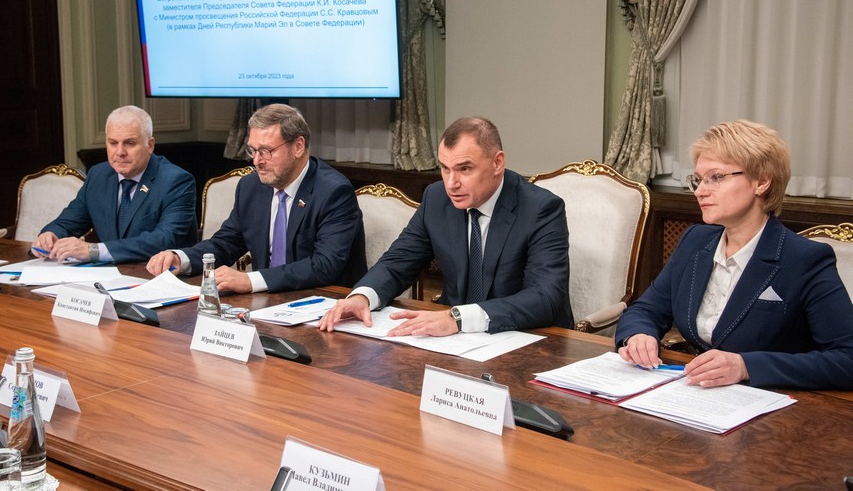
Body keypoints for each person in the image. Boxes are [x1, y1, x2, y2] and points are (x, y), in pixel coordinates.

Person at [616, 120, 853, 390]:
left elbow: (847, 358)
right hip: (693, 391)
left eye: (716, 177)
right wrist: (638, 335)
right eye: (698, 180)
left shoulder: (805, 259)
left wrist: (746, 366)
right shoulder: (695, 241)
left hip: (768, 402)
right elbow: (646, 309)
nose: (700, 191)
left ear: (761, 182)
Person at [319, 116, 572, 337]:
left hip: (525, 338)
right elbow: (398, 262)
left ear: (497, 163)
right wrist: (362, 296)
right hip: (454, 342)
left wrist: (459, 318)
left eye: (464, 169)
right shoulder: (437, 198)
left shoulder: (541, 209)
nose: (452, 183)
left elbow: (545, 298)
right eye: (445, 168)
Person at [146, 104, 367, 294]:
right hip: (267, 302)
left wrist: (250, 280)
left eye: (266, 151)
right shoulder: (251, 187)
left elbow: (324, 266)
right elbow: (226, 243)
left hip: (324, 303)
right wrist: (181, 258)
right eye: (253, 151)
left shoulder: (333, 191)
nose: (256, 161)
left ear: (298, 146)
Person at [32, 106, 197, 263]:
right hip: (108, 275)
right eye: (113, 143)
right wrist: (50, 235)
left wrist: (94, 251)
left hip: (159, 275)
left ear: (150, 145)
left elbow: (165, 239)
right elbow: (68, 222)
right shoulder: (99, 175)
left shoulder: (176, 181)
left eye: (130, 143)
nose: (120, 152)